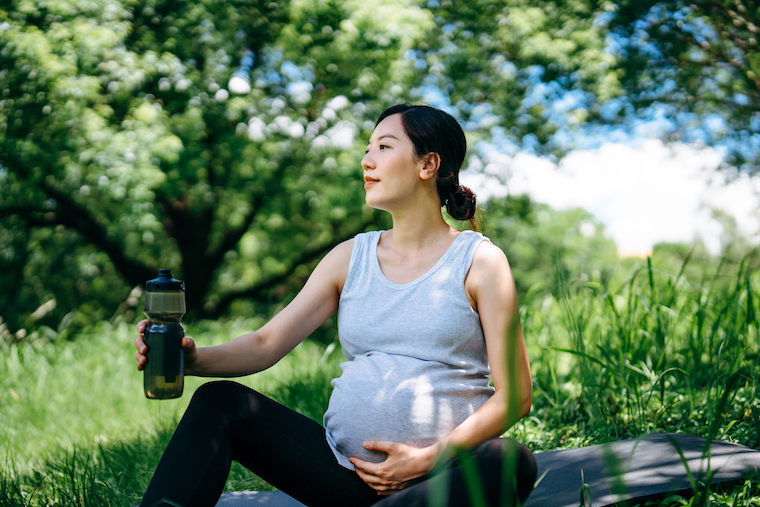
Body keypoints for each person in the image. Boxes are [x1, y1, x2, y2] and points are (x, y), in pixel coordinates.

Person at [134, 103, 537, 507]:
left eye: (383, 147)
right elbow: (265, 343)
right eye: (367, 148)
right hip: (341, 476)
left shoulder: (479, 261)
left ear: (428, 164)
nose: (366, 160)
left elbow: (515, 395)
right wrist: (192, 359)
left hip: (439, 480)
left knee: (508, 460)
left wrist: (424, 460)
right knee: (222, 403)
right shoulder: (350, 257)